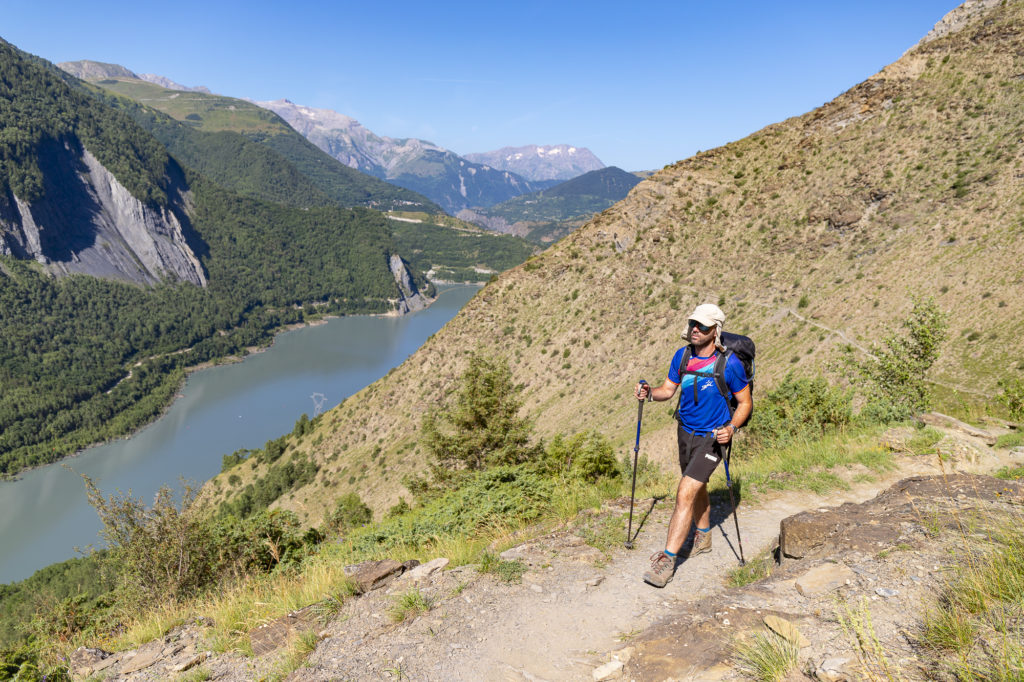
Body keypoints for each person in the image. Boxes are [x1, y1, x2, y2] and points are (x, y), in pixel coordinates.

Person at [634, 303, 752, 588]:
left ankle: (667, 560)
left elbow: (745, 403)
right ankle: (703, 534)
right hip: (684, 433)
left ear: (716, 332)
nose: (695, 330)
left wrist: (731, 428)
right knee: (694, 485)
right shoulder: (682, 356)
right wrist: (650, 395)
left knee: (684, 493)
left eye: (702, 327)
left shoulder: (730, 365)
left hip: (713, 438)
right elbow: (668, 390)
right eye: (692, 324)